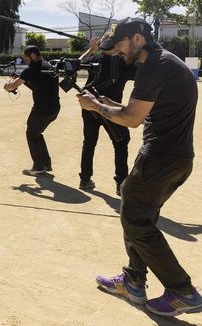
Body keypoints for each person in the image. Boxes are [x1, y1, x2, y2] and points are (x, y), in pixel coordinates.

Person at [78, 18, 202, 317]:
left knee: (135, 220)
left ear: (136, 39)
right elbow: (140, 113)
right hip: (174, 158)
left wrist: (96, 107)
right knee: (138, 216)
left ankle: (182, 291)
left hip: (160, 158)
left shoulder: (154, 65)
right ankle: (134, 280)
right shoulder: (164, 62)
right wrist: (109, 104)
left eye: (118, 45)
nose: (116, 51)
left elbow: (131, 119)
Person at [78, 36, 136, 195]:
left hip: (89, 106)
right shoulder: (124, 63)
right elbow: (144, 68)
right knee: (121, 143)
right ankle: (121, 184)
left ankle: (84, 179)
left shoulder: (95, 59)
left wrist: (91, 49)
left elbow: (75, 64)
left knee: (89, 142)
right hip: (112, 109)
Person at [4, 46, 60, 175]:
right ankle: (46, 163)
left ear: (33, 55)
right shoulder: (49, 66)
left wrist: (7, 87)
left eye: (26, 58)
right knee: (37, 133)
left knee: (31, 135)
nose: (26, 60)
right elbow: (40, 86)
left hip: (41, 109)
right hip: (54, 108)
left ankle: (39, 166)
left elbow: (12, 86)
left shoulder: (31, 70)